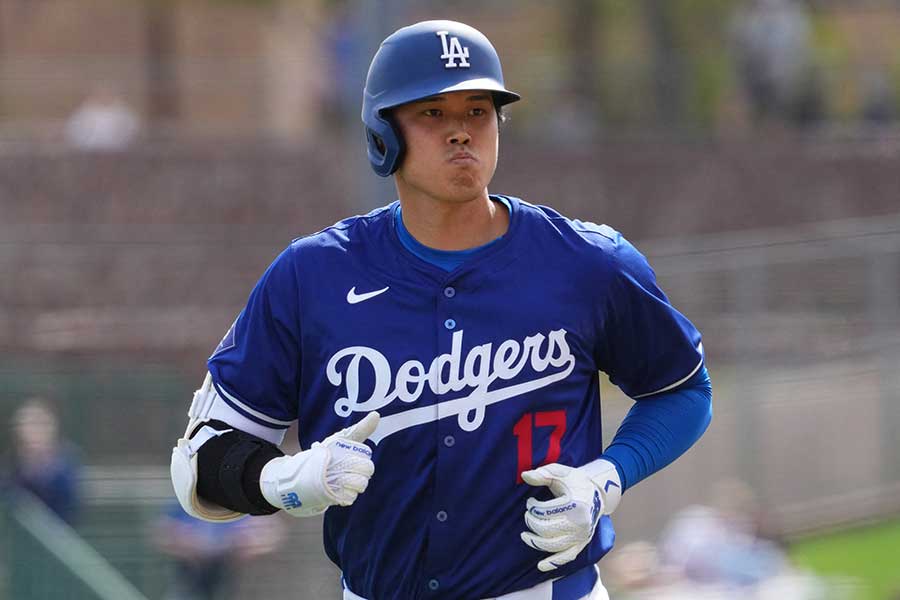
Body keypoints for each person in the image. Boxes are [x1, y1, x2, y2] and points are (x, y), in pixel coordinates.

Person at [170, 20, 712, 600]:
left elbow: (683, 390)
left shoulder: (588, 262)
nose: (461, 133)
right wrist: (287, 478)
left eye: (478, 111)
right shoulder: (312, 276)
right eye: (432, 113)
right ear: (383, 133)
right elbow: (198, 465)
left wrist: (606, 479)